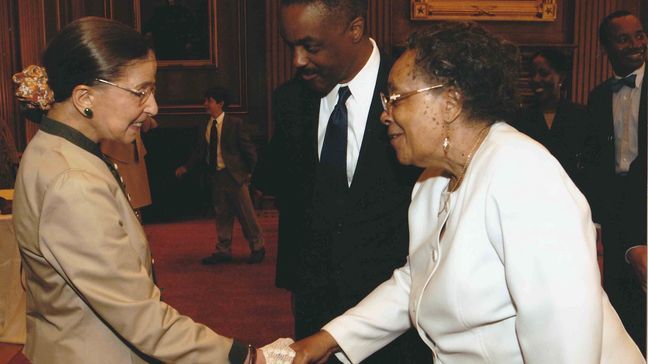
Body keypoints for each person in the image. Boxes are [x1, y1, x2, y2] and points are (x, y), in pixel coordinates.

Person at [289, 22, 644, 364]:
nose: (385, 115)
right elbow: (416, 280)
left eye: (396, 98)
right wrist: (329, 339)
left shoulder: (523, 176)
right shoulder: (433, 181)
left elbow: (564, 341)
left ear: (451, 102)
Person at [11, 17, 264, 364]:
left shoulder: (51, 148)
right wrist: (244, 357)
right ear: (85, 97)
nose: (153, 107)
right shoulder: (73, 182)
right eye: (140, 91)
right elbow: (143, 322)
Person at [252, 0, 427, 362]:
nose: (297, 61)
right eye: (291, 47)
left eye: (311, 47)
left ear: (355, 30)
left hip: (398, 308)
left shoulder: (413, 88)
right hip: (314, 302)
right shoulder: (290, 100)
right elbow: (286, 187)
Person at [587, 10, 647, 353]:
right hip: (613, 210)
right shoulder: (597, 97)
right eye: (624, 39)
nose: (636, 44)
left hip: (646, 199)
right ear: (605, 48)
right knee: (617, 297)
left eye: (640, 35)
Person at [175, 87, 265, 264]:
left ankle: (258, 247)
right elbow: (199, 151)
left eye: (209, 101)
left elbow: (249, 151)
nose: (205, 105)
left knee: (246, 214)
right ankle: (223, 250)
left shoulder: (235, 124)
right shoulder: (205, 126)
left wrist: (257, 175)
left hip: (235, 177)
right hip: (216, 177)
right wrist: (186, 167)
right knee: (222, 214)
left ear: (220, 103)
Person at [513, 49, 597, 204]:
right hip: (531, 201)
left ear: (561, 77)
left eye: (543, 73)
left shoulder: (583, 116)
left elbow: (592, 170)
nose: (536, 79)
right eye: (532, 74)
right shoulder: (519, 119)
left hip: (573, 202)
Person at [101, 116, 157, 221]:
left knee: (133, 207)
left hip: (129, 150)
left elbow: (148, 124)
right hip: (114, 150)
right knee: (123, 206)